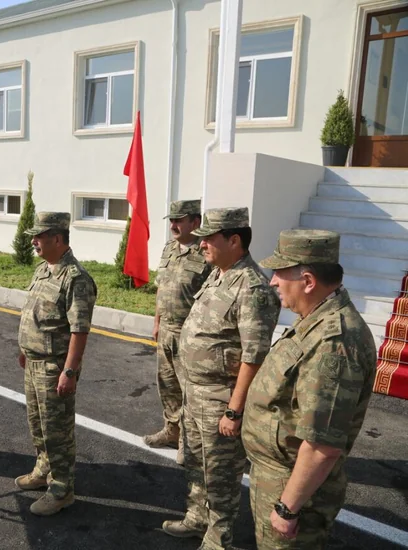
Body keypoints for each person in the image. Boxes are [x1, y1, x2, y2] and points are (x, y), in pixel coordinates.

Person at [243, 229, 376, 549]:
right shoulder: (314, 317)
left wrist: (286, 508)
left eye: (280, 272)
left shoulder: (334, 343)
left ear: (308, 281)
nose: (273, 281)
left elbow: (322, 446)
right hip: (277, 478)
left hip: (294, 491)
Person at [162, 207, 280, 550]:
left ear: (234, 240)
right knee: (196, 465)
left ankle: (218, 537)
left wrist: (234, 409)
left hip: (220, 398)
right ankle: (197, 518)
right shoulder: (218, 275)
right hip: (195, 392)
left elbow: (254, 356)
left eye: (209, 239)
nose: (201, 245)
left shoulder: (252, 287)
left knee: (221, 474)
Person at [15, 212, 97, 516]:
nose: (34, 242)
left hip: (54, 367)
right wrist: (25, 348)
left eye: (39, 237)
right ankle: (43, 469)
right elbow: (35, 313)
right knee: (37, 424)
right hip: (34, 362)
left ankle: (62, 489)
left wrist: (69, 371)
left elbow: (79, 330)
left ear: (58, 239)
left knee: (57, 431)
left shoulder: (76, 278)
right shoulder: (43, 270)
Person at [146, 199, 211, 463]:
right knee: (167, 384)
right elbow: (161, 287)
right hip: (166, 329)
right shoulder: (169, 249)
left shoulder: (206, 252)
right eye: (171, 220)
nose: (173, 225)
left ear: (195, 222)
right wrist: (157, 321)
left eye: (179, 220)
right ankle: (171, 431)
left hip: (190, 333)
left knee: (189, 389)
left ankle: (188, 441)